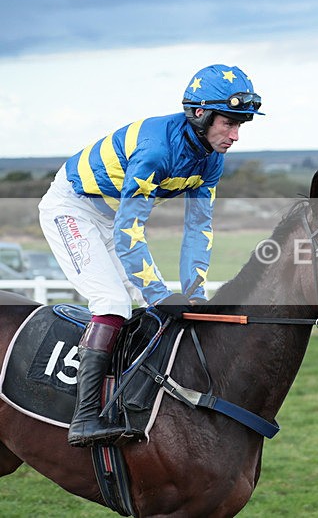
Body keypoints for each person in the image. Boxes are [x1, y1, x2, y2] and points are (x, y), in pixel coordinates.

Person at [38, 64, 264, 447]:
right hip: (71, 209)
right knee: (112, 302)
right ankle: (84, 418)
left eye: (241, 125)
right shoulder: (157, 150)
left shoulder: (211, 160)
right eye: (229, 123)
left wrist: (193, 294)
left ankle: (131, 394)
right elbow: (131, 233)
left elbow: (199, 228)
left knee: (155, 307)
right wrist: (160, 294)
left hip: (110, 218)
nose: (235, 136)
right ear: (199, 114)